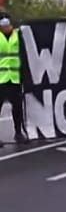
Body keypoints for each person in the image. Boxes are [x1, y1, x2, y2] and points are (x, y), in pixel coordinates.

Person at [0, 12, 28, 145]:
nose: (6, 26)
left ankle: (18, 133)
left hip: (15, 79)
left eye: (8, 24)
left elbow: (23, 54)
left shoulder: (18, 35)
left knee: (17, 108)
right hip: (1, 79)